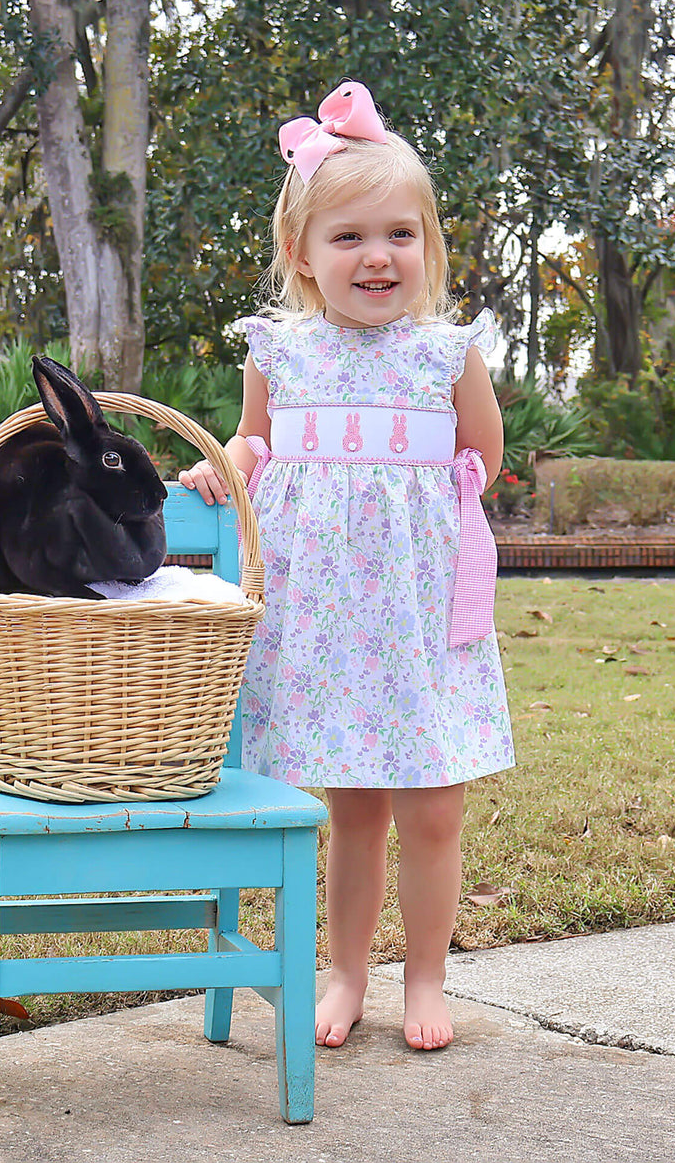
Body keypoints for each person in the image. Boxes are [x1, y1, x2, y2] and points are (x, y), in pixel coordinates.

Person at [178, 80, 515, 1052]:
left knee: (433, 807)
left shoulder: (444, 354)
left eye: (400, 235)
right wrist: (222, 464)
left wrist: (411, 498)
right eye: (349, 237)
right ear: (301, 254)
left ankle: (426, 974)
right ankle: (344, 970)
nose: (377, 255)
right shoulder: (279, 352)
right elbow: (253, 445)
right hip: (325, 617)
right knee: (352, 806)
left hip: (412, 616)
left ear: (427, 248)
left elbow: (480, 459)